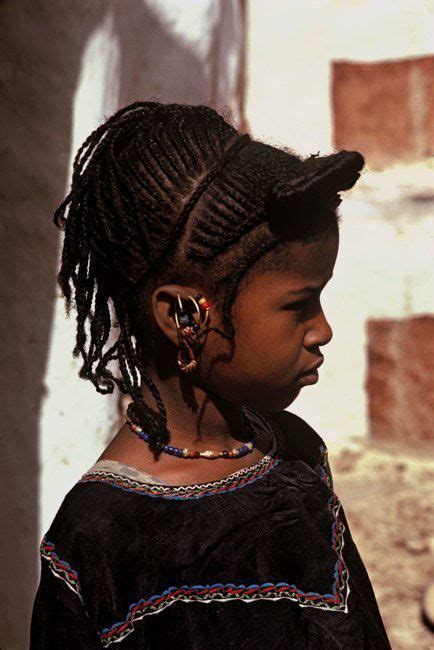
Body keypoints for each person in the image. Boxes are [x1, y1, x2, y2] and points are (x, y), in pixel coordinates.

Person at [30, 102, 391, 648]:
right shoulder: (99, 540)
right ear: (184, 316)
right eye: (299, 305)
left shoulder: (294, 452)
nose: (323, 330)